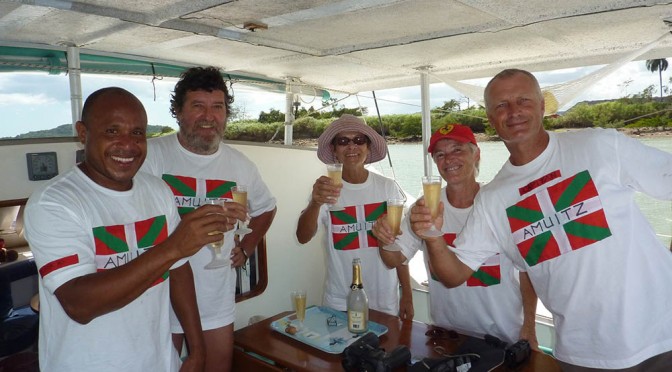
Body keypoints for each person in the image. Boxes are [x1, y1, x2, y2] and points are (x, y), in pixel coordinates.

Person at [409, 69, 672, 370]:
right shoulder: (494, 199)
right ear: (491, 120)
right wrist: (432, 236)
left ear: (543, 106)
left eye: (523, 100)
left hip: (662, 337)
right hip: (581, 354)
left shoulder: (599, 145)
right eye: (501, 105)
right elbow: (452, 274)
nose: (514, 111)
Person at [23, 87, 233, 371]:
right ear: (83, 133)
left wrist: (196, 350)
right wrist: (173, 247)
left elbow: (179, 270)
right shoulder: (54, 202)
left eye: (137, 133)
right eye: (112, 131)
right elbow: (80, 305)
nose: (128, 145)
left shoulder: (158, 191)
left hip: (159, 361)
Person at [141, 66, 277, 372]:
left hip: (216, 294)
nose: (208, 116)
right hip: (160, 293)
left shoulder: (240, 165)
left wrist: (247, 246)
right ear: (177, 111)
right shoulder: (152, 156)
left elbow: (267, 208)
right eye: (197, 106)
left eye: (217, 107)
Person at [372, 123, 538, 346]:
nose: (448, 159)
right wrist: (385, 240)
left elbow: (527, 271)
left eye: (457, 149)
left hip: (503, 334)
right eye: (440, 154)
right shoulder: (424, 209)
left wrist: (529, 328)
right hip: (447, 334)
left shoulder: (501, 203)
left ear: (476, 154)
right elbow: (393, 259)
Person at [296, 114, 414, 320]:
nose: (352, 147)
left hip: (383, 299)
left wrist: (408, 294)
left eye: (359, 140)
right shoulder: (324, 190)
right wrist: (315, 203)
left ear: (367, 147)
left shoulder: (387, 187)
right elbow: (303, 236)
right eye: (343, 141)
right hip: (340, 299)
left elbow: (399, 245)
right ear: (334, 149)